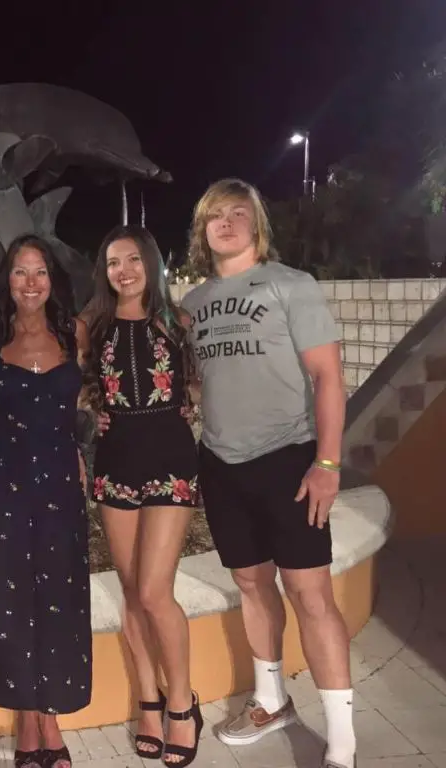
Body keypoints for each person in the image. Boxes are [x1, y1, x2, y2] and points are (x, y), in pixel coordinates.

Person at [181, 178, 354, 768]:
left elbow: (329, 378)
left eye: (238, 213)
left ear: (257, 224)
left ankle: (343, 739)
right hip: (222, 464)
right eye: (214, 216)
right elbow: (203, 379)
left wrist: (328, 463)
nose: (226, 223)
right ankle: (271, 699)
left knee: (311, 595)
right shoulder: (194, 305)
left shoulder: (290, 285)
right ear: (203, 230)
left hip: (289, 460)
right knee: (251, 584)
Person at [83, 226, 203, 768]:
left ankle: (183, 703)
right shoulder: (93, 326)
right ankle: (148, 702)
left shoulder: (177, 323)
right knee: (131, 589)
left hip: (170, 460)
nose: (123, 270)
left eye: (133, 259)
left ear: (151, 264)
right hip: (115, 463)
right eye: (113, 261)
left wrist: (195, 406)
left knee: (156, 591)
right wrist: (90, 409)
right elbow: (80, 384)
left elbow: (200, 383)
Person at [0, 235, 92, 768]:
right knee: (11, 600)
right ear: (8, 280)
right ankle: (27, 723)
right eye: (20, 273)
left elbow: (88, 401)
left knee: (61, 594)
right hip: (5, 484)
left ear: (52, 280)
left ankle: (53, 717)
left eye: (39, 272)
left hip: (62, 484)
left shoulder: (76, 334)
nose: (30, 283)